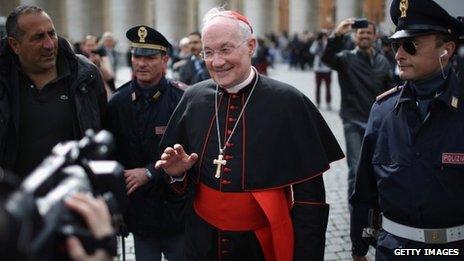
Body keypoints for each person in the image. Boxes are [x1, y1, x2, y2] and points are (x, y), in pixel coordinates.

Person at [155, 8, 344, 261]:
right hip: (202, 241)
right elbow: (182, 184)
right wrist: (177, 175)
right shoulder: (193, 97)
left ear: (251, 46)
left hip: (261, 245)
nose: (217, 61)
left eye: (225, 49)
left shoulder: (288, 101)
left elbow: (310, 200)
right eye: (208, 52)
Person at [350, 0, 464, 260]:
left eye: (411, 45)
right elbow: (365, 191)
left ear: (445, 50)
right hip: (393, 250)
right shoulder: (382, 111)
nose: (399, 54)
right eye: (396, 45)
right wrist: (359, 245)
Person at [105, 25, 187, 261]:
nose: (141, 63)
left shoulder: (182, 99)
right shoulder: (118, 102)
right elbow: (112, 156)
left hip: (176, 212)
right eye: (136, 56)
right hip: (140, 214)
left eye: (150, 57)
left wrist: (150, 172)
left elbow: (192, 152)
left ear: (165, 60)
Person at [0, 5, 107, 180]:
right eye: (38, 37)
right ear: (15, 45)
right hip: (13, 200)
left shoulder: (86, 75)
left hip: (74, 197)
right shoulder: (4, 81)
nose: (49, 45)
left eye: (52, 34)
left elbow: (104, 130)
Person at [321, 17, 393, 198]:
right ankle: (356, 216)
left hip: (376, 124)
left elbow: (390, 92)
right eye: (361, 33)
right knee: (355, 170)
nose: (365, 36)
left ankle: (374, 209)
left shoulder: (382, 62)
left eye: (369, 33)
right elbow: (327, 58)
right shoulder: (346, 59)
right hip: (353, 121)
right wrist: (337, 34)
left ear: (375, 36)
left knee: (378, 168)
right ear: (355, 36)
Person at [310, 31, 332, 110]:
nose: (324, 38)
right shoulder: (316, 43)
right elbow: (312, 51)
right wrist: (317, 43)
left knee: (328, 87)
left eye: (325, 36)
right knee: (318, 86)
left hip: (327, 68)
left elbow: (330, 52)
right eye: (322, 36)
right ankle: (318, 102)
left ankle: (328, 102)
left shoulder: (328, 43)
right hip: (318, 68)